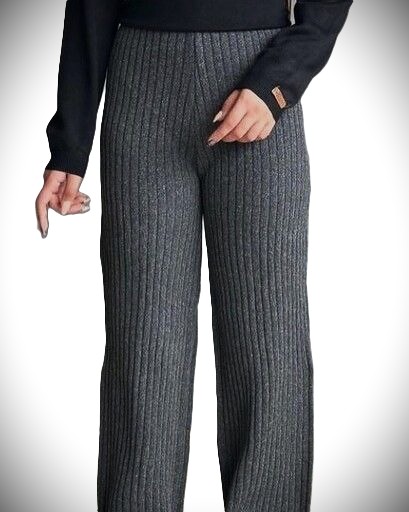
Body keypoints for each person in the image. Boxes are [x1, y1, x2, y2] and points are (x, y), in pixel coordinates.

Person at [35, 0, 353, 510]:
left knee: (269, 355)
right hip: (142, 83)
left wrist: (277, 81)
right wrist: (69, 145)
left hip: (257, 80)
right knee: (143, 356)